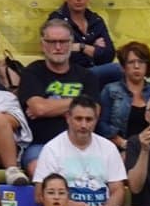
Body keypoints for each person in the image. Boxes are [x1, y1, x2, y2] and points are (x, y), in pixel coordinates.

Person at [32, 96, 146, 206]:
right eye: (78, 119)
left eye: (89, 119)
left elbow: (118, 190)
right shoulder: (52, 148)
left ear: (96, 120)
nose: (84, 125)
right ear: (68, 118)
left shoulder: (108, 147)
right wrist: (71, 205)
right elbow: (39, 195)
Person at [17, 18, 99, 168]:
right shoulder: (32, 72)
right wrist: (80, 101)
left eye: (63, 41)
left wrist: (50, 106)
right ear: (43, 44)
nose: (58, 47)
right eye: (52, 42)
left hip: (81, 146)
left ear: (71, 43)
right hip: (41, 146)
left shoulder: (86, 76)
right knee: (37, 168)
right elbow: (39, 108)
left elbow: (94, 112)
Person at [50, 0, 118, 84]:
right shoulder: (57, 20)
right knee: (118, 69)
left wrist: (80, 47)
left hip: (95, 77)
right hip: (68, 76)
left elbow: (109, 55)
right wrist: (94, 48)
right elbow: (57, 52)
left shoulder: (96, 20)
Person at [98, 42, 150, 147]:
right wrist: (124, 144)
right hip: (121, 148)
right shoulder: (110, 90)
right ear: (123, 67)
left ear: (147, 65)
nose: (136, 66)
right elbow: (101, 125)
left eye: (141, 62)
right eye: (131, 62)